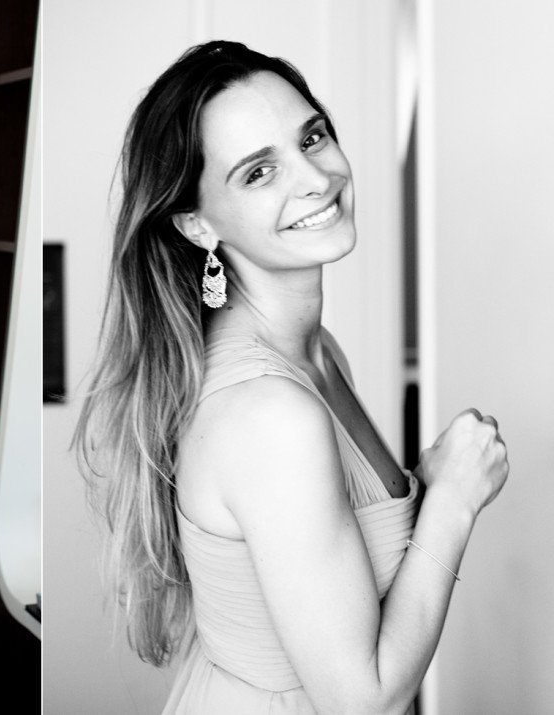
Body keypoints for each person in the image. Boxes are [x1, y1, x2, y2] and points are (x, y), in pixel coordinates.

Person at [75, 41, 509, 713]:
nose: (313, 177)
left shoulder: (313, 352)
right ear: (196, 223)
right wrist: (451, 499)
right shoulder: (270, 412)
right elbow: (363, 698)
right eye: (257, 173)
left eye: (312, 136)